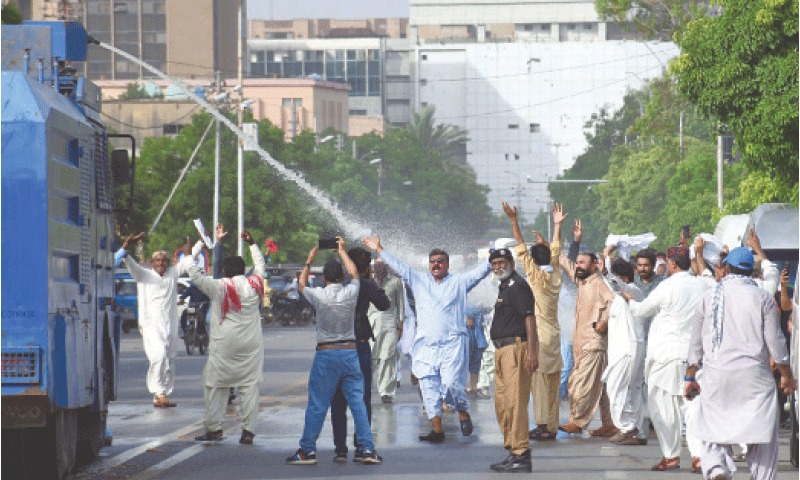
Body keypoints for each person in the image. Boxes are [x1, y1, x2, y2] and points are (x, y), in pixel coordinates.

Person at [362, 234, 491, 442]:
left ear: (447, 264)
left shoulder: (459, 281)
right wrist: (380, 249)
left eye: (440, 261)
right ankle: (437, 431)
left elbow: (479, 273)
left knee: (451, 384)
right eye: (433, 262)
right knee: (429, 388)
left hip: (453, 344)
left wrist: (492, 259)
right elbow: (401, 266)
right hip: (426, 346)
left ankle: (463, 412)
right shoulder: (418, 279)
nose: (436, 264)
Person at [685, 247, 796, 480]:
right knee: (763, 434)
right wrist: (786, 375)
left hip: (717, 375)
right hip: (754, 377)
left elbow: (695, 344)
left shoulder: (708, 298)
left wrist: (690, 376)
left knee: (714, 427)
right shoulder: (762, 297)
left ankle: (716, 468)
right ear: (751, 270)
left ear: (725, 268)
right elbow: (775, 343)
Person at [287, 238, 382, 465]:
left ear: (323, 278)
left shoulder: (318, 295)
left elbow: (301, 286)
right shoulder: (351, 291)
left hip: (326, 353)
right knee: (358, 403)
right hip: (350, 352)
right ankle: (367, 448)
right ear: (342, 276)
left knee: (318, 403)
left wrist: (308, 262)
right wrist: (342, 251)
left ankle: (307, 450)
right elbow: (356, 274)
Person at [625, 246, 707, 471]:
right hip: (693, 357)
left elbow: (641, 311)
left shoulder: (667, 286)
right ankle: (699, 456)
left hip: (666, 356)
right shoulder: (702, 285)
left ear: (671, 265)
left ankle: (671, 456)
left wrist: (629, 300)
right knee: (693, 407)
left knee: (664, 407)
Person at [186, 226, 265, 445]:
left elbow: (191, 271)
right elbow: (260, 265)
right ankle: (248, 431)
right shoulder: (255, 283)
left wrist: (195, 248)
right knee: (249, 387)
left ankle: (214, 429)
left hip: (224, 346)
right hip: (251, 346)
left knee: (215, 385)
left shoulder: (218, 286)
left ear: (225, 270)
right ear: (242, 269)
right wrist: (253, 243)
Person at [115, 232, 202, 407]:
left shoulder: (172, 273)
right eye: (158, 261)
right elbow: (129, 262)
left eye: (164, 261)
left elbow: (187, 260)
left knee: (169, 359)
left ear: (168, 263)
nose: (161, 263)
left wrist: (200, 241)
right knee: (159, 356)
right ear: (152, 263)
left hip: (170, 325)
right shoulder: (143, 275)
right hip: (150, 325)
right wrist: (125, 246)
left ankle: (162, 395)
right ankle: (158, 391)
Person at [503, 202, 564, 441]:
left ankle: (541, 425)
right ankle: (552, 425)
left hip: (540, 335)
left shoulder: (537, 277)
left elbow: (520, 250)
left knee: (539, 380)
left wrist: (513, 221)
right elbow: (555, 252)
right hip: (555, 334)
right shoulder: (555, 275)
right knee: (552, 381)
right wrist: (557, 225)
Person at [330, 247, 389, 462]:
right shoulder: (365, 285)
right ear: (366, 268)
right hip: (359, 345)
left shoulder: (334, 285)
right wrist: (372, 281)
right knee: (362, 398)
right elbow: (384, 304)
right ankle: (363, 446)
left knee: (338, 399)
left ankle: (340, 448)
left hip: (336, 346)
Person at [487, 248, 538, 473]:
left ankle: (521, 454)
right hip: (501, 351)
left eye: (502, 262)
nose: (498, 267)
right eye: (494, 263)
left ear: (511, 263)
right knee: (503, 404)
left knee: (516, 404)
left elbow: (530, 318)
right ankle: (512, 450)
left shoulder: (518, 285)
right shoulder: (504, 286)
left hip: (516, 349)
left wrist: (532, 353)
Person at [558, 250, 617, 437]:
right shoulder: (584, 283)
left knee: (579, 383)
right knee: (602, 387)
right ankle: (609, 423)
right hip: (582, 344)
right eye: (578, 262)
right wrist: (552, 240)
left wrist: (604, 322)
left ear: (594, 265)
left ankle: (576, 421)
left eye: (583, 262)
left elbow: (615, 302)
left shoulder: (599, 282)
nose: (578, 266)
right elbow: (566, 265)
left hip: (594, 343)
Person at [601, 253, 647, 445]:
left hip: (628, 349)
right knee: (632, 389)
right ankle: (637, 431)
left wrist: (605, 267)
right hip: (628, 348)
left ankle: (627, 428)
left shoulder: (633, 290)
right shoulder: (621, 297)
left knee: (617, 387)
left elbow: (615, 284)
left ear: (624, 278)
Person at [369, 259, 405, 404]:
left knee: (388, 357)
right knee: (369, 358)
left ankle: (386, 392)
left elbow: (401, 305)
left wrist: (400, 325)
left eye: (382, 265)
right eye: (376, 266)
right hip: (371, 323)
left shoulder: (395, 282)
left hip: (390, 322)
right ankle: (364, 388)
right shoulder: (368, 282)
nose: (379, 268)